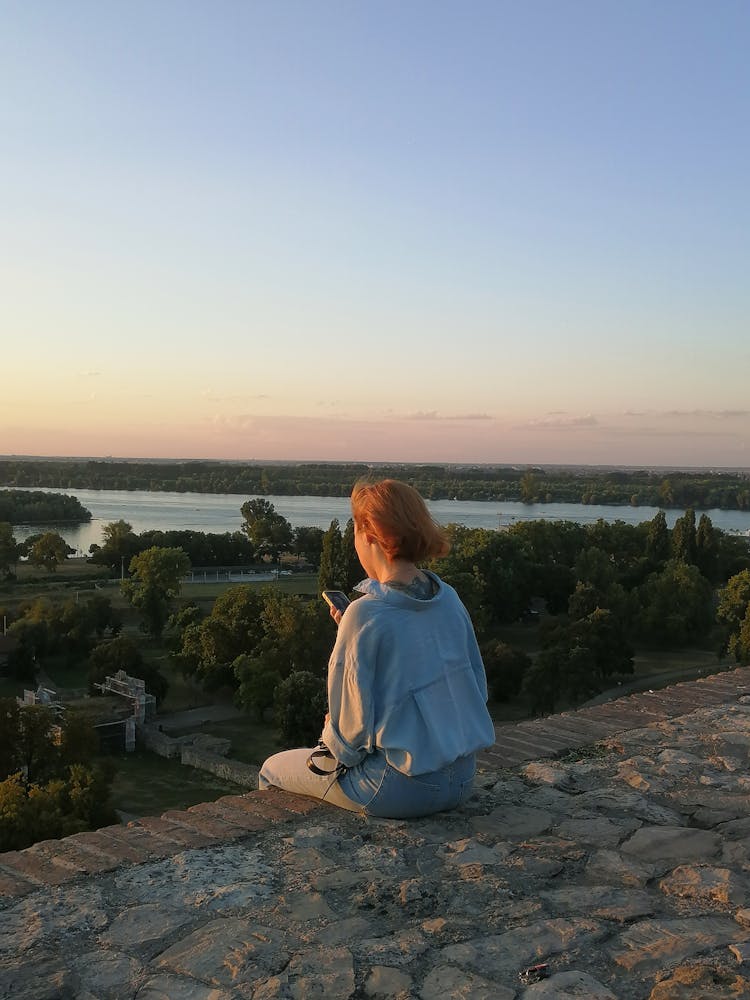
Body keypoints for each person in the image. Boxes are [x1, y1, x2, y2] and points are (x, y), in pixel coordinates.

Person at [258, 478, 496, 818]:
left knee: (272, 769)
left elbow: (348, 740)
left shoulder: (365, 615)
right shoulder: (449, 599)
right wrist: (353, 635)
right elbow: (474, 688)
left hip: (399, 788)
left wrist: (331, 734)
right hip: (462, 780)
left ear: (368, 535)